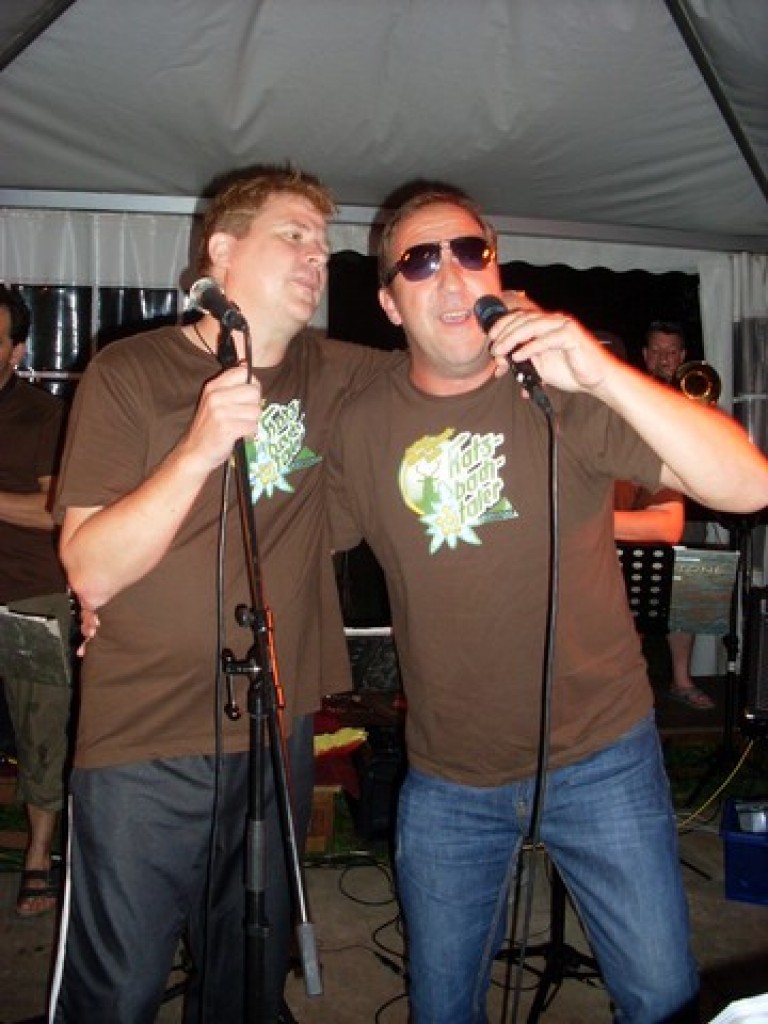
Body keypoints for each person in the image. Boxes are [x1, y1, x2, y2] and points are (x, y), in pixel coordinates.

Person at [325, 186, 768, 1023]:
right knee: (442, 1008)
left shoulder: (564, 391)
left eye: (470, 253)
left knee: (661, 1000)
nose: (452, 276)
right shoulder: (362, 422)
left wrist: (600, 370)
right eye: (420, 261)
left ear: (497, 272)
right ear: (389, 302)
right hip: (450, 774)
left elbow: (748, 484)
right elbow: (296, 540)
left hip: (603, 757)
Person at [49, 165, 399, 1024]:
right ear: (222, 250)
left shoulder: (332, 370)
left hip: (274, 730)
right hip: (141, 740)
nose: (317, 257)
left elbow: (438, 369)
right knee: (117, 991)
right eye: (294, 235)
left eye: (324, 245)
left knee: (247, 981)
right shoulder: (130, 371)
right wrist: (198, 449)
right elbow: (89, 568)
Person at [0, 283, 71, 919]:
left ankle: (38, 855)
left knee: (41, 730)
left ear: (16, 350)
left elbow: (58, 511)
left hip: (29, 595)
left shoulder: (42, 415)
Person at [641, 320, 716, 709]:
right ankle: (631, 686)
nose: (664, 359)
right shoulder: (634, 392)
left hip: (687, 508)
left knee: (689, 596)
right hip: (642, 507)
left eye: (671, 352)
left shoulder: (695, 395)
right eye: (657, 351)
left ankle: (682, 680)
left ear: (683, 356)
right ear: (645, 355)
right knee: (630, 599)